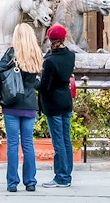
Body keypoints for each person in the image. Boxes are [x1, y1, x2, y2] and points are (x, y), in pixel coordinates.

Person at [0, 22, 43, 193]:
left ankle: (12, 183)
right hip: (29, 105)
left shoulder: (12, 53)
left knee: (12, 144)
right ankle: (30, 181)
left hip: (11, 104)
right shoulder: (36, 54)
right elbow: (36, 82)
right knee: (28, 144)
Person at [39, 24, 75, 188]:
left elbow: (44, 86)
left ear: (50, 39)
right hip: (66, 100)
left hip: (53, 103)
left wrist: (34, 83)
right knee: (66, 139)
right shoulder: (70, 56)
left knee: (58, 141)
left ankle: (61, 176)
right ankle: (67, 174)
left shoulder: (50, 61)